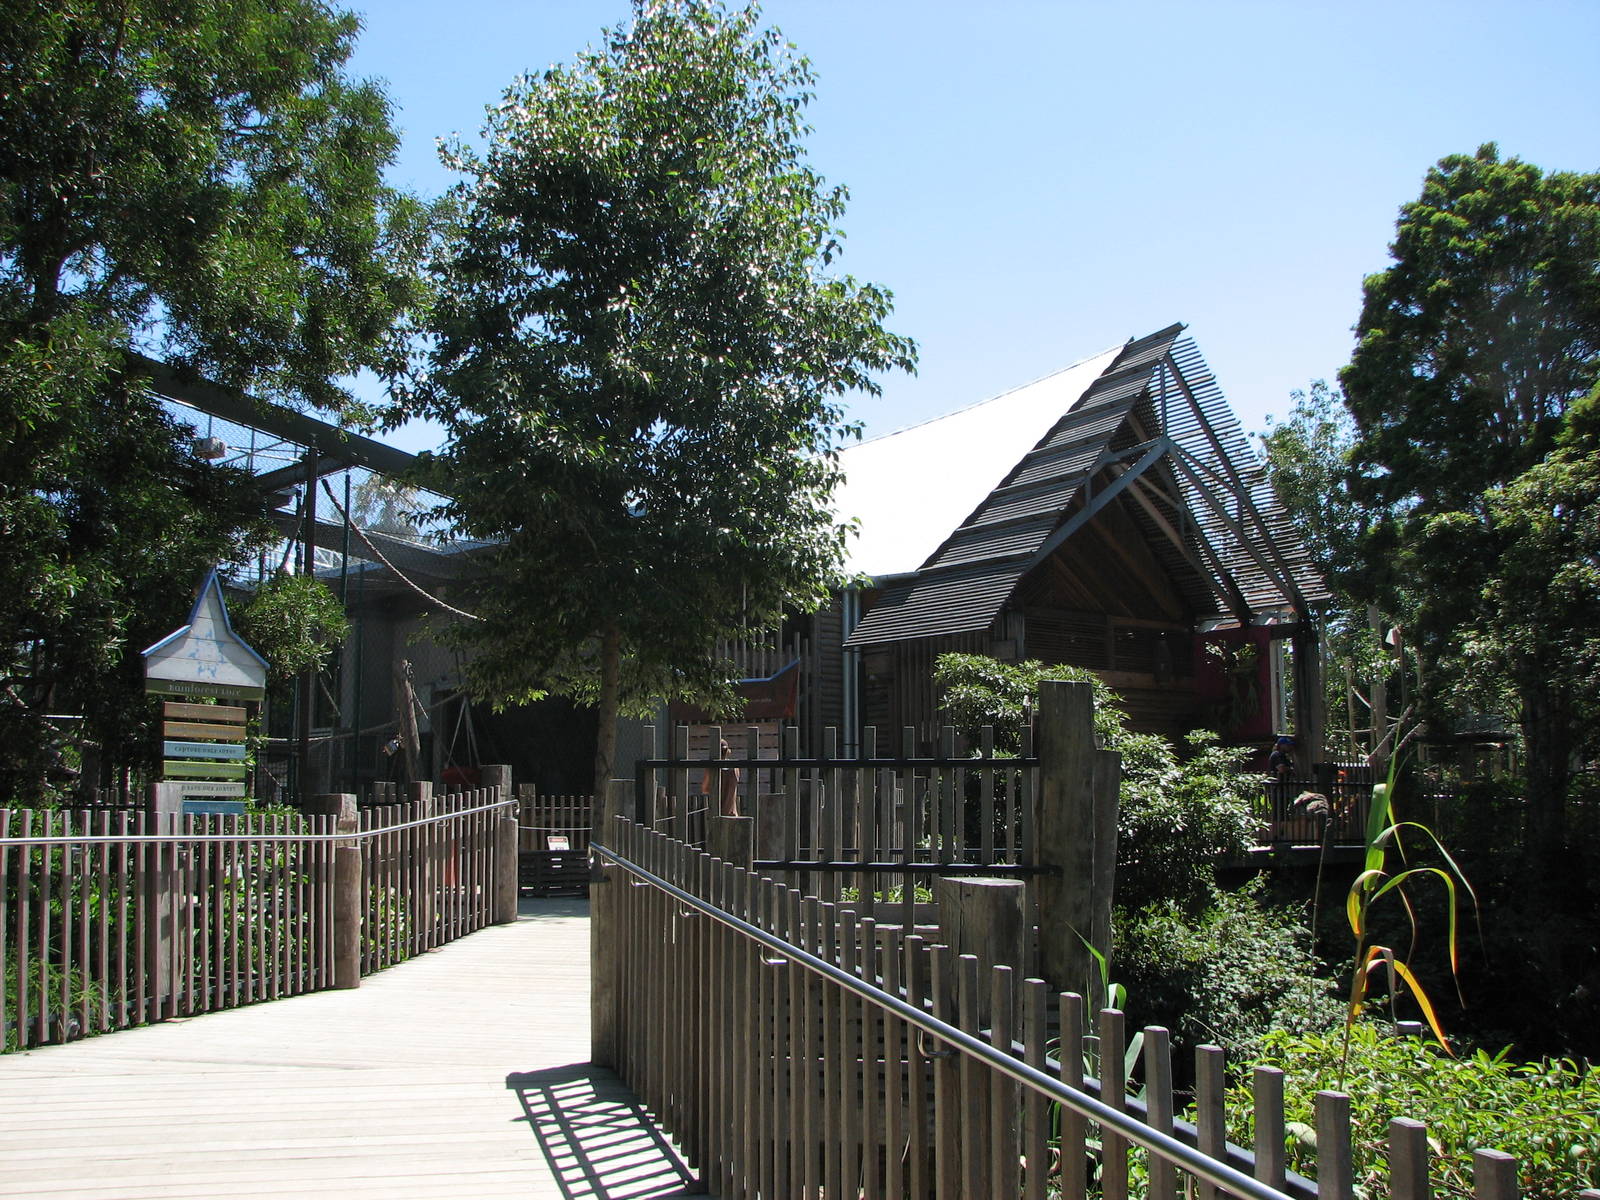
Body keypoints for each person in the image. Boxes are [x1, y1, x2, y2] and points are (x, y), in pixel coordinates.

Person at [699, 738, 741, 817]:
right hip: (732, 814)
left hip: (718, 815)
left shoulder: (711, 769)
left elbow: (704, 789)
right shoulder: (735, 768)